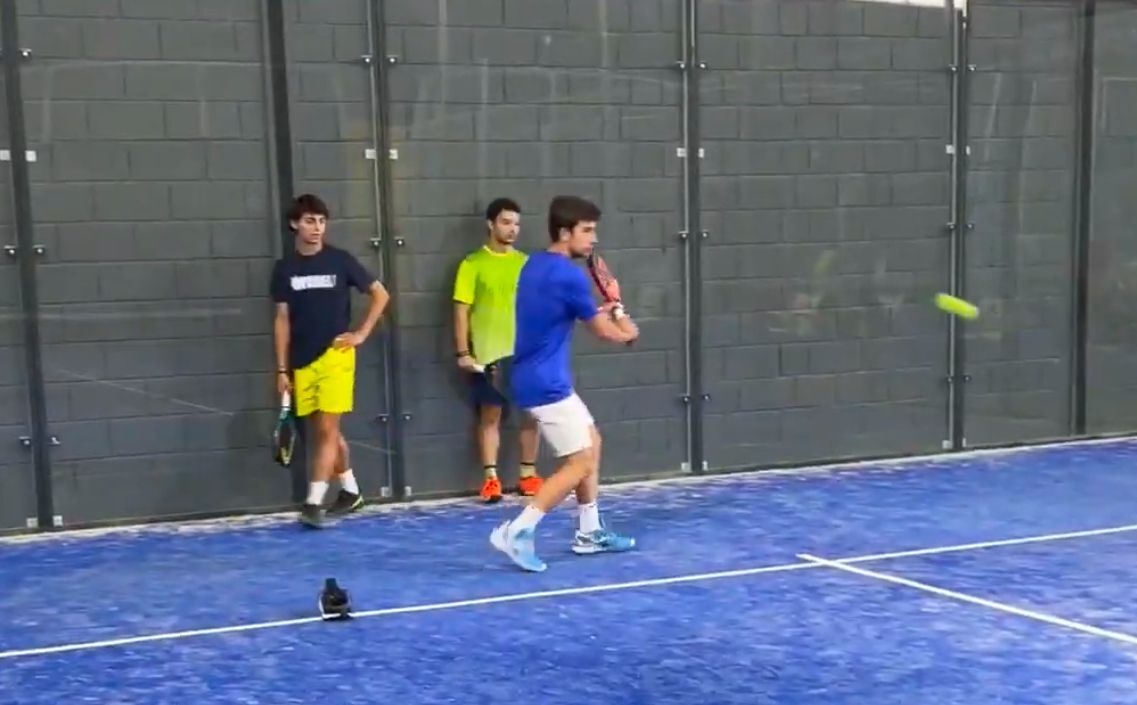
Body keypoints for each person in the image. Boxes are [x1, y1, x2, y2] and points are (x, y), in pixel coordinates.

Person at [490, 195, 639, 572]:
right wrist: (625, 324)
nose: (593, 239)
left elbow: (568, 310)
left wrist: (605, 312)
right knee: (580, 461)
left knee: (592, 441)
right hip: (546, 384)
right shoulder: (570, 275)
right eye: (586, 231)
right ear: (564, 231)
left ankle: (589, 532)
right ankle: (518, 530)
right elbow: (605, 332)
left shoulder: (533, 265)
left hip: (531, 377)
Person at [270, 193, 390, 528]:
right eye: (310, 221)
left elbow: (381, 294)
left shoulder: (341, 261)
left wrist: (361, 333)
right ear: (295, 223)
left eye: (322, 221)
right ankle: (351, 492)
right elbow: (281, 320)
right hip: (301, 362)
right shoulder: (284, 269)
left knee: (326, 430)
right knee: (325, 431)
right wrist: (282, 368)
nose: (317, 228)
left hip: (336, 357)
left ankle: (313, 502)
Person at [453, 198, 543, 503]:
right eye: (506, 222)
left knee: (532, 415)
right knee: (490, 415)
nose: (513, 229)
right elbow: (462, 310)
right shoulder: (472, 264)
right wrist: (463, 352)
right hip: (488, 355)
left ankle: (528, 476)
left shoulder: (526, 264)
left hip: (526, 354)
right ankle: (491, 480)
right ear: (491, 224)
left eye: (516, 223)